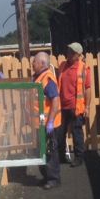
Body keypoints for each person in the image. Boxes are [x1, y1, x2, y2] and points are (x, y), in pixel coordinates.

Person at [58, 42, 92, 167]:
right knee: (60, 133)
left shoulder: (83, 68)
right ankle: (62, 156)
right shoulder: (62, 66)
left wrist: (87, 107)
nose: (69, 53)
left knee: (77, 132)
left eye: (72, 52)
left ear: (78, 55)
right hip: (62, 106)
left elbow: (88, 89)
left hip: (76, 107)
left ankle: (79, 157)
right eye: (68, 51)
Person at [32, 52, 62, 189]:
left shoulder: (47, 79)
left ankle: (53, 179)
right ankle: (46, 177)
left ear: (42, 64)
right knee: (42, 151)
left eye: (35, 62)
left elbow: (55, 101)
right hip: (40, 123)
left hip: (48, 124)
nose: (32, 64)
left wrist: (50, 122)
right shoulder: (37, 77)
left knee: (50, 151)